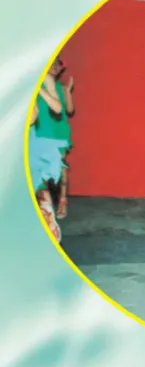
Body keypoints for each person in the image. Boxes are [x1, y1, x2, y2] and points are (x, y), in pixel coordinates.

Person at [35, 58, 75, 219]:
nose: (53, 67)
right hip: (40, 130)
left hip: (59, 132)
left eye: (56, 65)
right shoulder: (36, 85)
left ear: (60, 69)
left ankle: (63, 201)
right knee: (40, 170)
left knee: (61, 167)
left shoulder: (60, 87)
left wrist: (68, 92)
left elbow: (70, 110)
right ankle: (46, 206)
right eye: (50, 64)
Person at [30, 92, 69, 242]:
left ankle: (47, 214)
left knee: (37, 180)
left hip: (36, 137)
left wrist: (36, 89)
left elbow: (57, 108)